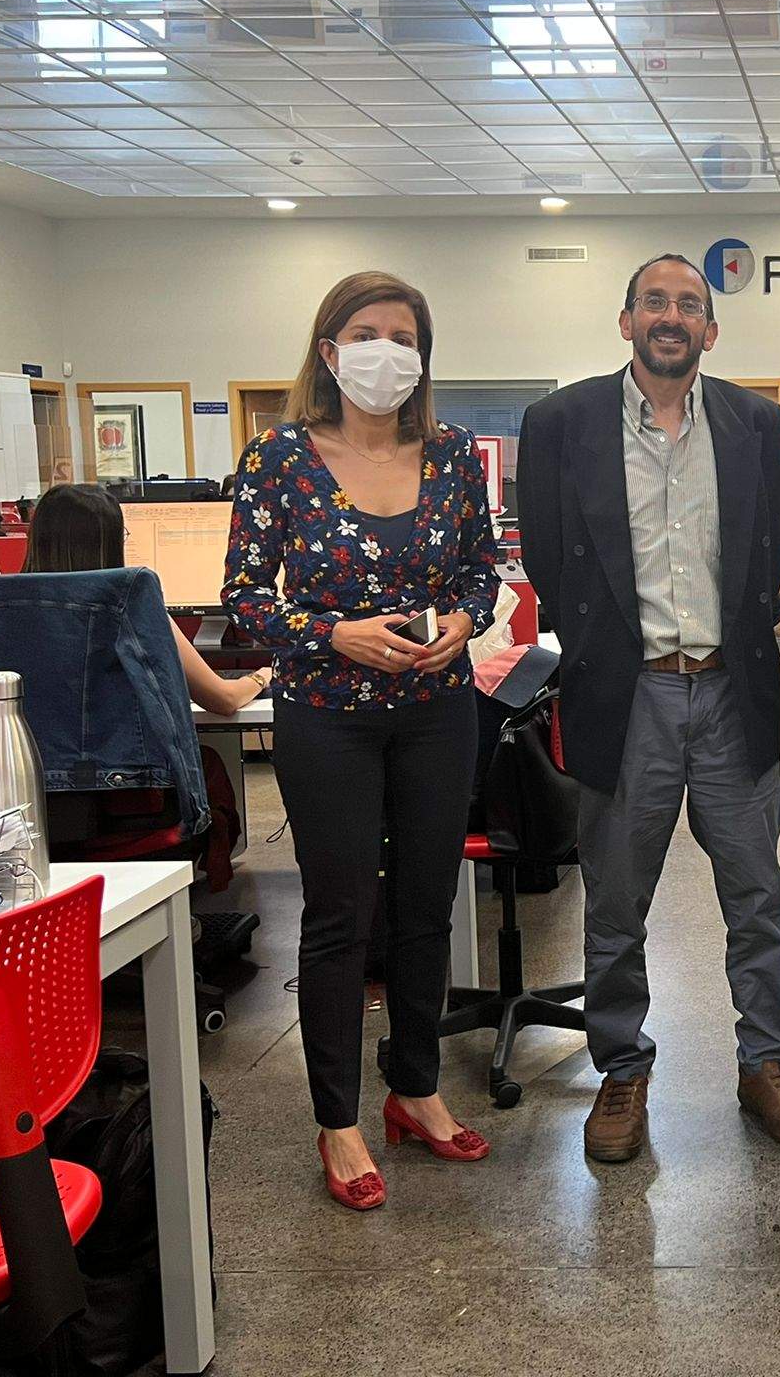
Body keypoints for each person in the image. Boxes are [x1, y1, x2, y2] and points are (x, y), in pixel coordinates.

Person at [516, 252, 780, 1164]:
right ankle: (621, 1070)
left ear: (710, 331)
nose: (671, 316)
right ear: (626, 321)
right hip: (628, 693)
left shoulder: (754, 421)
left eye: (689, 305)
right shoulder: (560, 422)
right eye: (654, 301)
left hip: (733, 691)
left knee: (757, 893)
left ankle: (764, 1061)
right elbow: (546, 555)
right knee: (616, 900)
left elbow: (768, 538)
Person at [223, 270, 500, 1213]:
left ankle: (414, 1088)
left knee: (427, 903)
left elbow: (480, 565)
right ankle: (336, 1118)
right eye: (368, 332)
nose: (389, 350)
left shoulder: (455, 454)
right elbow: (246, 595)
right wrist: (331, 634)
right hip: (326, 712)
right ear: (330, 351)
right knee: (342, 916)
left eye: (405, 335)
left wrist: (466, 618)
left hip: (437, 705)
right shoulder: (279, 460)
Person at [26, 483, 271, 716]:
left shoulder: (7, 614)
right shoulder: (132, 609)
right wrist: (262, 676)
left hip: (28, 758)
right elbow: (223, 700)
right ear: (107, 545)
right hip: (124, 759)